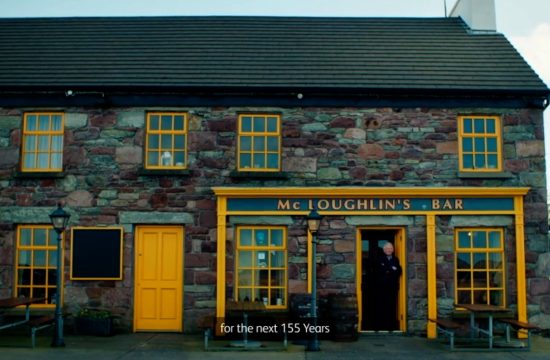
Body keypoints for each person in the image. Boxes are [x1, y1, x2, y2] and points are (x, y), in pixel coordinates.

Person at [374, 242, 402, 331]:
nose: (389, 250)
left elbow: (399, 272)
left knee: (391, 307)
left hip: (392, 287)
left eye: (390, 248)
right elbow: (379, 271)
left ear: (393, 250)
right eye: (387, 248)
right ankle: (378, 326)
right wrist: (392, 269)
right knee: (380, 306)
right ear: (384, 250)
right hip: (381, 288)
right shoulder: (379, 259)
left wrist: (388, 270)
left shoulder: (396, 259)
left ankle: (390, 327)